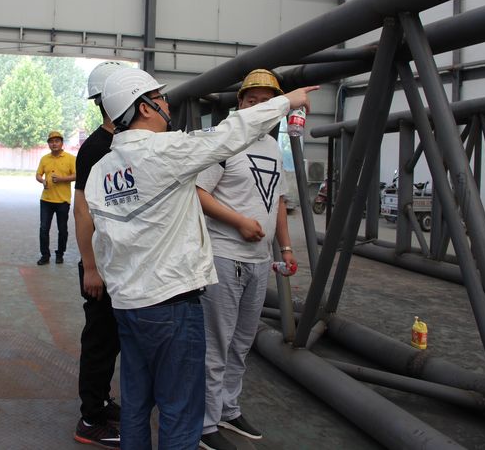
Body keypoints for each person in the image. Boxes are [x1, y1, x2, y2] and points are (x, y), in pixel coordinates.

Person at [85, 67, 315, 450]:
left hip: (127, 305)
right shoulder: (166, 152)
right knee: (180, 409)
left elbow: (102, 240)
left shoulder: (102, 171)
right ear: (144, 108)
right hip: (171, 304)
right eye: (159, 98)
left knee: (137, 403)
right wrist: (286, 102)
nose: (166, 103)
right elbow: (230, 133)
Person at [196, 69, 299, 450]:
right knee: (215, 344)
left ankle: (228, 408)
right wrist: (238, 221)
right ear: (240, 104)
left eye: (266, 102)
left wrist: (285, 248)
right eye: (251, 100)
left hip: (258, 262)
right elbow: (197, 192)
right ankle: (204, 423)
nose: (258, 107)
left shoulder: (272, 147)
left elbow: (279, 202)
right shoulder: (225, 142)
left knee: (241, 343)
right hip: (224, 257)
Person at [72, 62, 126, 449]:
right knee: (99, 341)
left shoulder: (123, 143)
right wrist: (90, 268)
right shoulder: (95, 148)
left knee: (111, 341)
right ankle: (90, 418)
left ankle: (102, 401)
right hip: (100, 266)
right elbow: (82, 211)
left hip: (117, 263)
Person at [35, 131, 76, 265]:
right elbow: (38, 175)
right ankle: (45, 255)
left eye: (57, 141)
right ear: (48, 144)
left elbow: (77, 175)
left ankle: (60, 254)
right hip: (46, 200)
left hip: (63, 201)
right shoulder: (44, 159)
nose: (54, 144)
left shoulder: (70, 158)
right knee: (43, 229)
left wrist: (62, 179)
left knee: (62, 229)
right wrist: (43, 181)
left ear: (62, 143)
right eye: (51, 142)